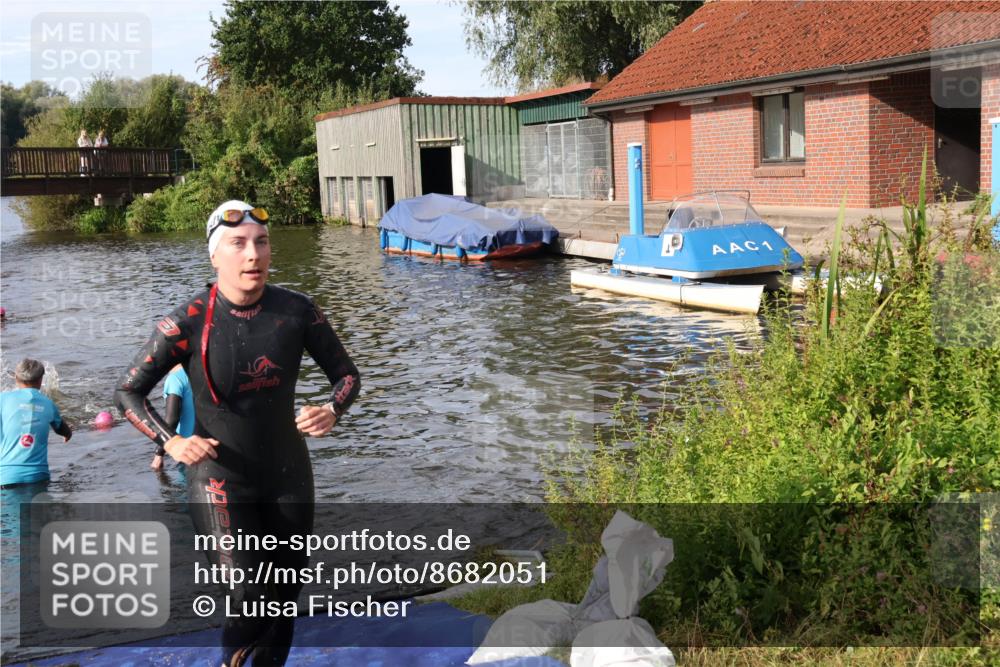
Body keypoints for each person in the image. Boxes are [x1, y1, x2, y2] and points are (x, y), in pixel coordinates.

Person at [114, 200, 361, 667]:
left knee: (285, 596)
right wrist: (171, 440)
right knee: (247, 594)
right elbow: (127, 392)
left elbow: (347, 375)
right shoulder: (187, 320)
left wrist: (332, 409)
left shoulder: (297, 310)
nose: (254, 255)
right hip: (219, 477)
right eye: (239, 244)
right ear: (215, 255)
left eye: (262, 243)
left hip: (287, 472)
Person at [1, 359, 73, 490]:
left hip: (6, 478)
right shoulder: (48, 404)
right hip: (39, 477)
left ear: (16, 378)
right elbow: (63, 430)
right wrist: (67, 434)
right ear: (40, 380)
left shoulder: (2, 399)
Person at [150, 364, 194, 471]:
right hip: (213, 442)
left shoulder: (175, 379)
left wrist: (159, 453)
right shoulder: (204, 372)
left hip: (188, 449)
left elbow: (172, 420)